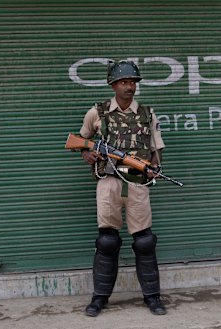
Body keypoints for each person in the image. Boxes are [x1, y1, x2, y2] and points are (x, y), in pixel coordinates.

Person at [79, 60, 167, 317]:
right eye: (124, 82)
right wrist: (88, 153)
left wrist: (153, 168)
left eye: (133, 82)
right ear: (113, 85)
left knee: (145, 241)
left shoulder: (148, 114)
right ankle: (100, 298)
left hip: (137, 181)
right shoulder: (98, 113)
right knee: (106, 240)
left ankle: (152, 297)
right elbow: (83, 141)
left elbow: (155, 149)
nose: (129, 87)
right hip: (108, 181)